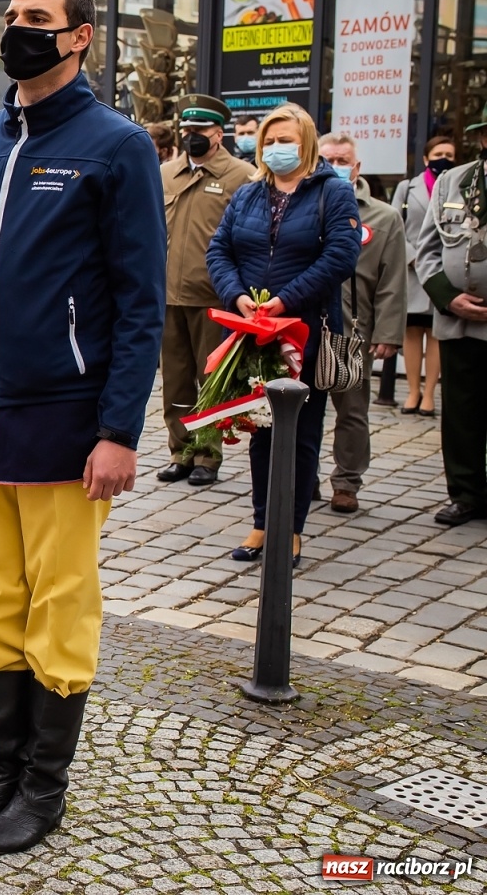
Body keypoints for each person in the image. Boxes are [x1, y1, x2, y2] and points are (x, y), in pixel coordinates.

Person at [0, 0, 165, 855]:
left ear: (80, 35)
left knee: (58, 600)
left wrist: (118, 429)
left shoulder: (115, 145)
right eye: (13, 17)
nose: (20, 30)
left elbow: (140, 303)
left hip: (64, 417)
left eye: (39, 19)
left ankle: (44, 786)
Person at [207, 102, 361, 562]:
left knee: (299, 431)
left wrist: (285, 300)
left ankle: (289, 529)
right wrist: (236, 295)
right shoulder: (249, 194)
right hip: (253, 332)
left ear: (307, 143)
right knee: (261, 429)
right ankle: (261, 523)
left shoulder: (332, 192)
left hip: (304, 330)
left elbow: (340, 256)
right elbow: (220, 250)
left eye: (286, 140)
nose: (277, 149)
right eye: (269, 141)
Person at [157, 95, 255, 488]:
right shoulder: (165, 173)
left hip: (213, 296)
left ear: (218, 134)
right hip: (167, 294)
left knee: (210, 380)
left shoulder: (240, 176)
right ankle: (180, 451)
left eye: (198, 131)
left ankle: (207, 455)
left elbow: (244, 241)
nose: (190, 137)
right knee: (175, 381)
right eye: (186, 131)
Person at [316, 133, 405, 514]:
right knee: (297, 409)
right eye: (327, 158)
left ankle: (347, 482)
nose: (335, 164)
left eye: (342, 159)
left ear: (356, 167)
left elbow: (392, 281)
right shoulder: (305, 202)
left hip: (352, 332)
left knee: (351, 411)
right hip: (305, 325)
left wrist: (387, 333)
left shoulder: (383, 217)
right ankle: (299, 477)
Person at [415, 125, 487, 527]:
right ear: (483, 138)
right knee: (460, 411)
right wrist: (448, 296)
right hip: (458, 319)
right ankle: (466, 493)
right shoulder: (453, 181)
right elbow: (427, 249)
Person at [392, 135, 454, 416]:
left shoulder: (457, 187)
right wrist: (415, 257)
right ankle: (413, 391)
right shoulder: (407, 188)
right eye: (439, 153)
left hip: (445, 273)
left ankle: (430, 394)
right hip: (412, 270)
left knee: (437, 333)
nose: (445, 159)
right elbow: (395, 226)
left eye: (450, 155)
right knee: (413, 332)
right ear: (426, 158)